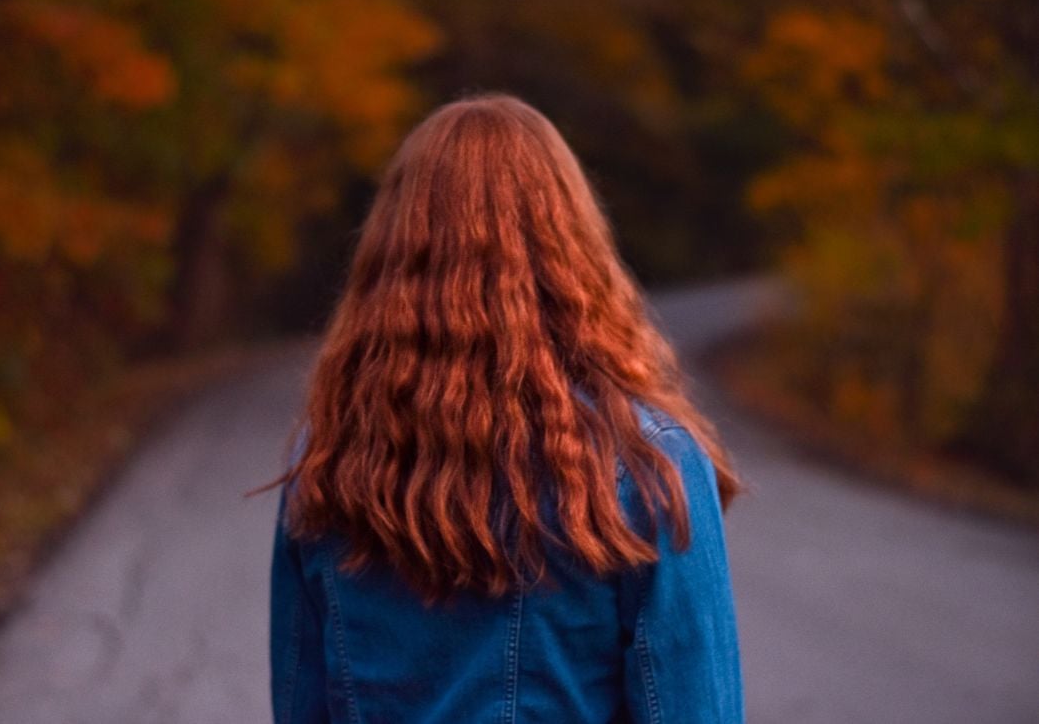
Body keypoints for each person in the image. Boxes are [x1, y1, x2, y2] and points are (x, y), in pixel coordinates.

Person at [258, 92, 744, 723]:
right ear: (573, 249)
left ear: (391, 258)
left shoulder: (325, 467)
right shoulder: (650, 467)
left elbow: (301, 707)